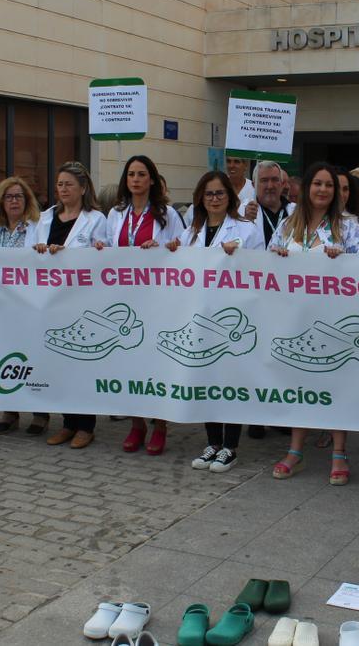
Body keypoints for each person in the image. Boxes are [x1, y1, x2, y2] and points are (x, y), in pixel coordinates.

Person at [270, 162, 359, 486]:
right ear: (306, 188)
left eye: (329, 185)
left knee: (336, 384)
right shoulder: (288, 225)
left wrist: (347, 262)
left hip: (333, 321)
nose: (323, 190)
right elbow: (267, 266)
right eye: (317, 184)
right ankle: (295, 450)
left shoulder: (349, 227)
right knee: (298, 383)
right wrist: (277, 260)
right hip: (295, 318)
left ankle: (340, 451)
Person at [165, 171, 264, 472]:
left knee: (230, 380)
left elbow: (260, 269)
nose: (215, 199)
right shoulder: (190, 232)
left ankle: (231, 446)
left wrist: (239, 257)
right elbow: (179, 265)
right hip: (200, 316)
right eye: (209, 194)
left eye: (220, 193)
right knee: (207, 379)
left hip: (232, 317)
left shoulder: (246, 229)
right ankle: (212, 442)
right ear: (200, 199)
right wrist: (168, 251)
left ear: (230, 197)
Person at [103, 155, 185, 455]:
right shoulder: (116, 213)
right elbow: (108, 250)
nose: (135, 179)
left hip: (158, 298)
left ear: (152, 179)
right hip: (125, 299)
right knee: (130, 360)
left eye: (141, 174)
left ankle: (160, 425)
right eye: (131, 174)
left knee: (156, 362)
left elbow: (181, 251)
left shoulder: (168, 215)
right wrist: (101, 249)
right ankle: (136, 424)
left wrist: (162, 248)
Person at [34, 161, 108, 449]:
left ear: (82, 188)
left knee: (82, 365)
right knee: (59, 364)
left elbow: (103, 257)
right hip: (51, 301)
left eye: (69, 184)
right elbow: (29, 255)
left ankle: (85, 426)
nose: (63, 189)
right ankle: (68, 422)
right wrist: (39, 251)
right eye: (60, 184)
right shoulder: (44, 218)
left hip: (82, 302)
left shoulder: (95, 219)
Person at [0, 177, 46, 435]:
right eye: (9, 197)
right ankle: (10, 411)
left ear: (27, 201)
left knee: (33, 356)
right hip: (2, 308)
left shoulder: (37, 228)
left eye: (19, 196)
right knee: (6, 355)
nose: (14, 201)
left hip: (29, 305)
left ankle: (40, 413)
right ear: (1, 202)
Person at [240, 161, 293, 247]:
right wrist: (245, 222)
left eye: (275, 180)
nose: (270, 186)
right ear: (253, 185)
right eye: (264, 180)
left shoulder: (296, 211)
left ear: (282, 184)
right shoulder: (242, 211)